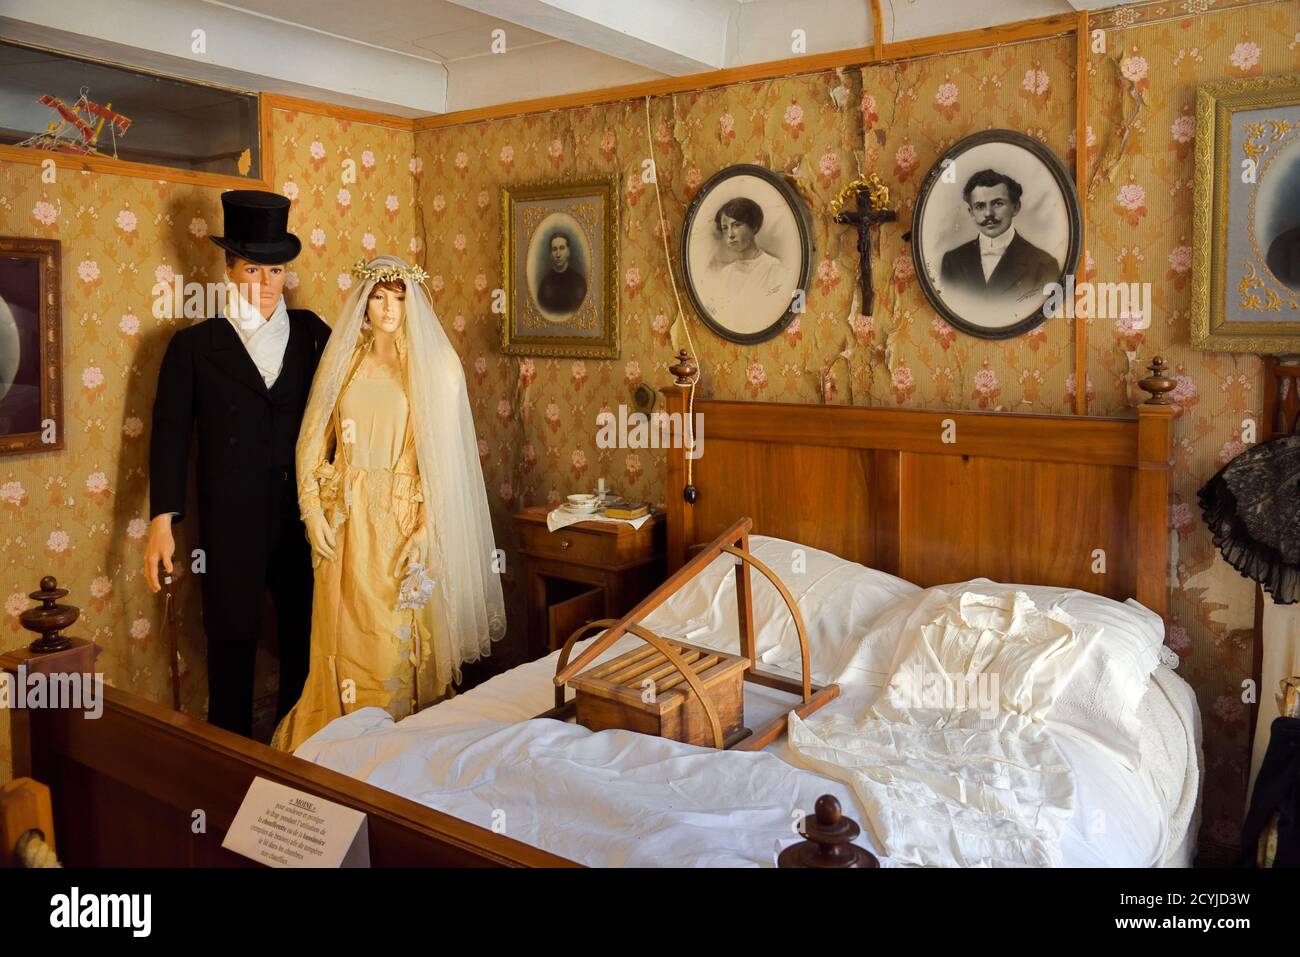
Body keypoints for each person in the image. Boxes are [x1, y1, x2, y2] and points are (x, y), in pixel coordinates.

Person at [271, 255, 506, 752]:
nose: (388, 308)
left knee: (391, 639)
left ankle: (395, 749)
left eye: (399, 297)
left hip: (401, 521)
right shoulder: (344, 362)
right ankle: (338, 743)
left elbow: (443, 460)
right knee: (342, 636)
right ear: (364, 302)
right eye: (378, 296)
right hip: (345, 520)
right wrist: (311, 510)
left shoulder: (432, 367)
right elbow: (311, 440)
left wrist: (427, 529)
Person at [145, 190, 329, 737]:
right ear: (228, 268)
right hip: (228, 527)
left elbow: (346, 415)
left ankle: (298, 751)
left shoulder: (315, 333)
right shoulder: (193, 347)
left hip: (304, 519)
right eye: (253, 268)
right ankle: (228, 766)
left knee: (304, 637)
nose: (265, 282)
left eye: (275, 270)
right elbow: (171, 436)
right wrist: (162, 522)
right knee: (231, 645)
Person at [939, 169, 1060, 305]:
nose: (988, 213)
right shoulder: (953, 261)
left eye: (997, 203)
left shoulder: (1043, 265)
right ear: (971, 212)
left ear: (1015, 207)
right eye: (979, 206)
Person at [700, 197, 791, 334]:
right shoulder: (726, 274)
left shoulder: (774, 269)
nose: (730, 235)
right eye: (725, 228)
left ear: (753, 227)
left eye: (737, 225)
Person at [536, 232, 587, 313]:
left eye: (562, 248)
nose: (558, 254)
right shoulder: (544, 284)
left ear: (568, 252)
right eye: (554, 249)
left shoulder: (579, 281)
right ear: (551, 254)